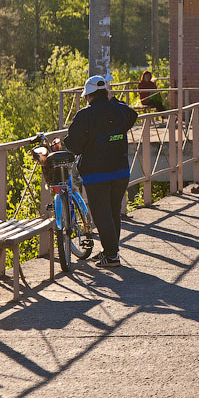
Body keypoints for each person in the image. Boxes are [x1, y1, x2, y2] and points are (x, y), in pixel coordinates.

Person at [64, 75, 139, 268]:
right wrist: (112, 100)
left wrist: (65, 143)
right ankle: (109, 251)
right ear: (105, 93)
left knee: (102, 214)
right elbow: (133, 115)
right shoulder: (120, 110)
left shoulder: (85, 116)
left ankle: (112, 256)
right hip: (121, 171)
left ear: (88, 96)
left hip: (97, 174)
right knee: (113, 212)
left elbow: (75, 146)